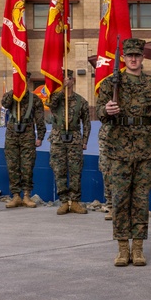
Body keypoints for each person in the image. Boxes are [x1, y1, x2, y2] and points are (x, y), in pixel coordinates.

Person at [97, 38, 151, 267]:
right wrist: (106, 110)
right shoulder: (111, 83)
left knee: (140, 201)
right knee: (120, 200)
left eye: (137, 55)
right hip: (118, 149)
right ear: (124, 58)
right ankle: (122, 248)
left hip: (145, 149)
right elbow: (100, 111)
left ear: (142, 57)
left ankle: (138, 248)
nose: (134, 59)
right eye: (129, 56)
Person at [48, 75, 91, 215]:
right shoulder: (57, 98)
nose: (67, 80)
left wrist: (85, 141)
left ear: (74, 81)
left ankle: (75, 202)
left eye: (70, 78)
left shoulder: (81, 101)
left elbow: (87, 123)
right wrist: (62, 90)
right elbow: (50, 104)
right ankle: (64, 201)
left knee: (75, 171)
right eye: (64, 78)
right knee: (58, 170)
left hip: (75, 139)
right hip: (58, 139)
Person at [0, 83, 46, 209]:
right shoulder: (11, 97)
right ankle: (15, 195)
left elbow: (40, 119)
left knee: (27, 166)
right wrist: (14, 90)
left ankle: (26, 195)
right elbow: (4, 103)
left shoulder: (34, 99)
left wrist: (40, 136)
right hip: (12, 134)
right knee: (12, 165)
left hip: (27, 134)